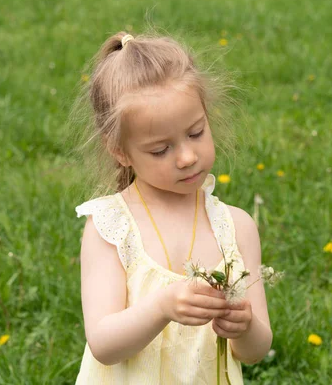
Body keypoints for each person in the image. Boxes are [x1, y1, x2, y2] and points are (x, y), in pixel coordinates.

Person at [72, 31, 272, 384]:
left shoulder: (236, 227)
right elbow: (103, 343)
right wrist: (162, 307)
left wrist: (244, 327)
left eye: (196, 133)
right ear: (119, 150)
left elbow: (255, 350)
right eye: (160, 150)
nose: (187, 157)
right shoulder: (112, 227)